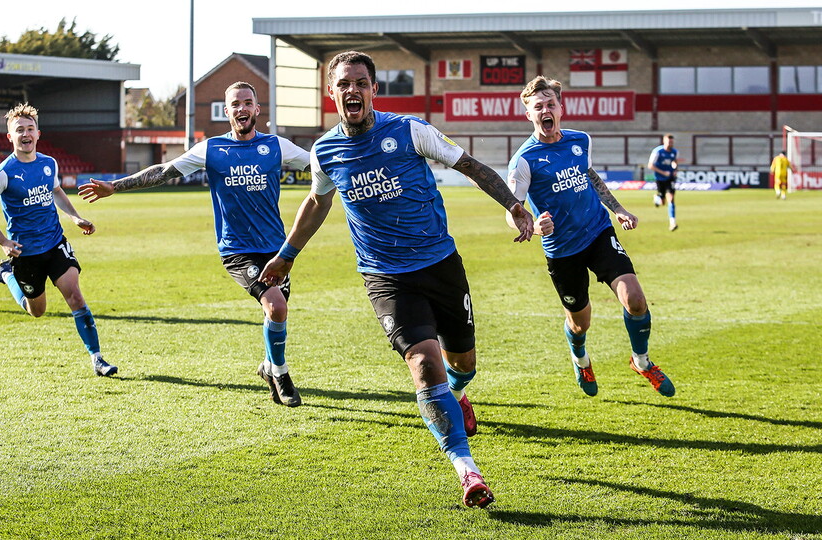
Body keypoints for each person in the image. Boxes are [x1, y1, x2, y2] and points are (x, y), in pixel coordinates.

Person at [260, 51, 535, 508]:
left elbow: (469, 165)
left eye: (361, 83)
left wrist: (513, 204)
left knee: (462, 364)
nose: (353, 90)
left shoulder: (410, 130)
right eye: (344, 83)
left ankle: (458, 395)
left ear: (374, 90)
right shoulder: (325, 151)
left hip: (440, 265)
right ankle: (467, 471)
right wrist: (287, 255)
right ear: (332, 93)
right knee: (425, 365)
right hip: (385, 276)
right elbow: (317, 202)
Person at [78, 82, 309, 404]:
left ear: (257, 109)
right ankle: (281, 373)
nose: (241, 109)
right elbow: (162, 171)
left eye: (247, 103)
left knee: (276, 314)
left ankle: (268, 366)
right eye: (235, 104)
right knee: (276, 306)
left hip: (276, 247)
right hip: (238, 249)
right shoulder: (211, 149)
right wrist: (115, 186)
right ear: (226, 111)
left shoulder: (276, 146)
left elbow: (319, 165)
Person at [506, 75, 675, 400]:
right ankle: (580, 357)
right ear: (529, 114)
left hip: (598, 233)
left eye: (550, 104)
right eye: (537, 106)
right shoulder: (523, 160)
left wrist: (618, 209)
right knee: (580, 322)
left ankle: (641, 361)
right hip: (563, 251)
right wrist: (532, 226)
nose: (545, 110)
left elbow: (589, 175)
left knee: (636, 300)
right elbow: (511, 211)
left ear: (560, 107)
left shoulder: (580, 140)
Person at [0, 103, 117, 377]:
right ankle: (7, 274)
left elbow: (57, 192)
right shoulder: (2, 173)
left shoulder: (49, 163)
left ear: (38, 133)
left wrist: (75, 217)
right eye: (19, 130)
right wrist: (3, 242)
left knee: (75, 296)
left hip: (55, 244)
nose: (26, 134)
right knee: (36, 311)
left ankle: (97, 359)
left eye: (30, 129)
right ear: (10, 137)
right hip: (25, 253)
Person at [647, 134, 679, 231]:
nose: (670, 144)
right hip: (660, 178)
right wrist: (663, 172)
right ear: (664, 141)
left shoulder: (675, 152)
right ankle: (657, 198)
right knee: (662, 202)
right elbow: (650, 166)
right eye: (669, 142)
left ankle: (672, 223)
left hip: (670, 178)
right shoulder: (658, 151)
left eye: (672, 142)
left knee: (671, 199)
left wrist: (674, 170)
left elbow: (675, 162)